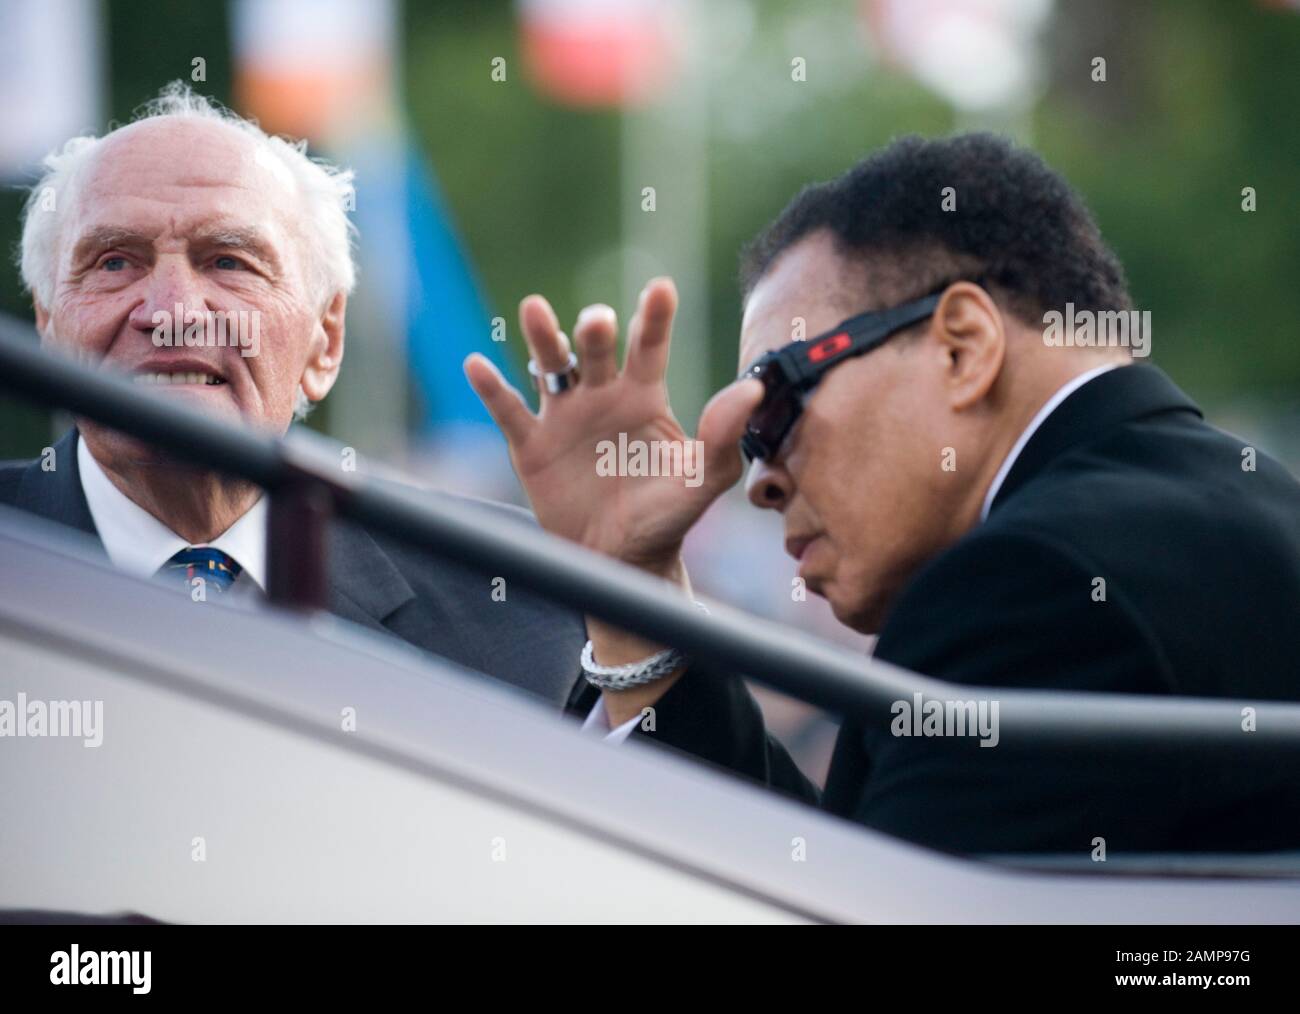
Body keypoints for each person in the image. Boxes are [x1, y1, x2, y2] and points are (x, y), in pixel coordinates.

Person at [466, 133, 1300, 854]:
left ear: (962, 347)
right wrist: (633, 591)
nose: (758, 477)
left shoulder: (1030, 586)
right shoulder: (1238, 506)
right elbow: (841, 873)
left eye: (779, 400)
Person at [0, 82, 583, 708]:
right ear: (50, 326)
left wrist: (641, 587)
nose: (173, 312)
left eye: (228, 261)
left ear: (324, 342)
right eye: (115, 262)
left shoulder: (511, 594)